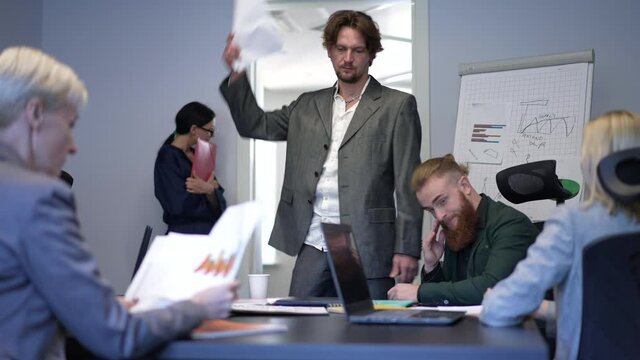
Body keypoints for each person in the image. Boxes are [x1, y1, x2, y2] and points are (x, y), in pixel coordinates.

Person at [0, 46, 238, 359]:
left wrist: (96, 308)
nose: (73, 147)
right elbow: (118, 337)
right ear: (34, 114)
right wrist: (198, 306)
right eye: (69, 126)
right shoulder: (40, 197)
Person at [220, 10, 423, 299]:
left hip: (368, 243)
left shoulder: (398, 105)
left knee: (369, 331)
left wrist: (406, 248)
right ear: (330, 51)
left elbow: (408, 184)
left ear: (371, 55)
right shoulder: (306, 105)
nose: (348, 58)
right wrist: (237, 74)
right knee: (301, 327)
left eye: (357, 50)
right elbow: (255, 124)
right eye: (341, 49)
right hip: (314, 240)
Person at [480, 110, 640, 360]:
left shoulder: (575, 223)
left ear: (592, 162)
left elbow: (499, 308)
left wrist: (513, 302)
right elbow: (618, 312)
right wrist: (548, 309)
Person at [387, 154, 539, 305]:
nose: (439, 216)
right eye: (430, 210)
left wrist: (420, 292)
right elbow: (451, 294)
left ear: (465, 186)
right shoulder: (457, 227)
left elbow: (491, 288)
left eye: (442, 201)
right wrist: (432, 266)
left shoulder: (510, 224)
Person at [154, 101, 227, 234]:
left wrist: (209, 190)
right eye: (210, 131)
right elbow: (177, 205)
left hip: (208, 233)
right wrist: (209, 192)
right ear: (193, 129)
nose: (211, 137)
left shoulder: (201, 155)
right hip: (184, 235)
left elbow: (219, 199)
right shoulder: (167, 157)